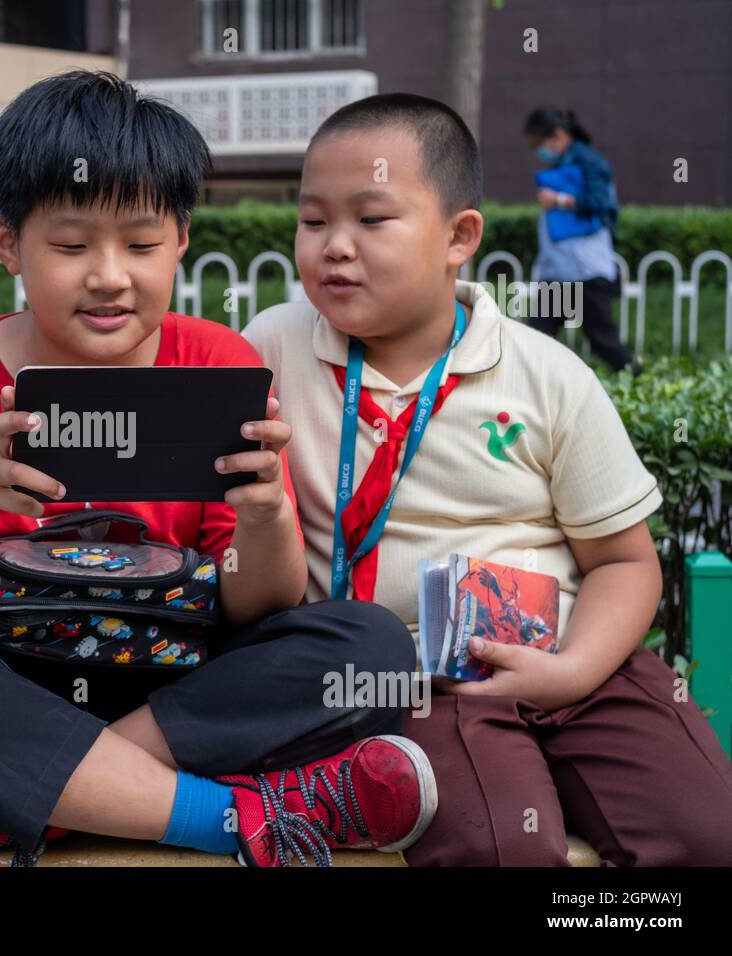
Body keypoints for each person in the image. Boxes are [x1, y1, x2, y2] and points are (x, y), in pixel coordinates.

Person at [0, 71, 436, 868]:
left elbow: (260, 604)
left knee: (371, 647)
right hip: (5, 679)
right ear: (9, 241)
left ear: (181, 239)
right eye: (72, 246)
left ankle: (21, 803)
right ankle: (236, 815)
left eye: (142, 244)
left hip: (176, 688)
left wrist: (265, 517)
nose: (110, 275)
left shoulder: (218, 362)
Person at [244, 92, 732, 866]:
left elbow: (625, 561)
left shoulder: (547, 375)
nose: (334, 246)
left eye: (371, 220)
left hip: (583, 659)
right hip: (424, 681)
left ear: (459, 236)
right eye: (312, 221)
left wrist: (570, 673)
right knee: (499, 848)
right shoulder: (271, 348)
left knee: (706, 837)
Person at [524, 106, 639, 373]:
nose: (538, 149)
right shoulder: (565, 163)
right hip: (560, 271)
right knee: (537, 340)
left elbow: (602, 204)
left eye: (540, 142)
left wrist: (559, 200)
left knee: (603, 341)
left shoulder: (589, 162)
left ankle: (639, 377)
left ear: (559, 135)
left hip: (585, 271)